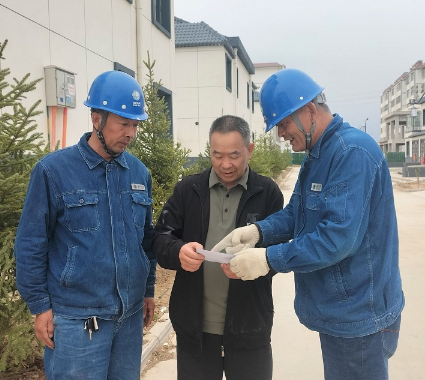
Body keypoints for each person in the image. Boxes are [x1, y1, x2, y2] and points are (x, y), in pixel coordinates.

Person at [213, 68, 405, 380]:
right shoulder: (318, 154)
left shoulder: (351, 153)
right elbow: (295, 214)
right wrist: (258, 232)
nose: (281, 134)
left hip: (360, 316)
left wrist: (268, 259)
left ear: (310, 111)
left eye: (284, 123)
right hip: (342, 311)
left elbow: (337, 238)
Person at [15, 70, 156, 380]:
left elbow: (146, 239)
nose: (130, 133)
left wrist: (148, 290)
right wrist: (39, 306)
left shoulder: (138, 173)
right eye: (123, 123)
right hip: (77, 321)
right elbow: (30, 242)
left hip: (129, 317)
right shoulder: (53, 171)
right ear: (96, 120)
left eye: (135, 125)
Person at [152, 115, 284, 380]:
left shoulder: (267, 192)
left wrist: (254, 264)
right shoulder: (188, 190)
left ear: (249, 150)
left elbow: (278, 255)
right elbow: (159, 238)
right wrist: (178, 252)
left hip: (250, 327)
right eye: (217, 155)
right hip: (195, 330)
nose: (225, 164)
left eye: (234, 155)